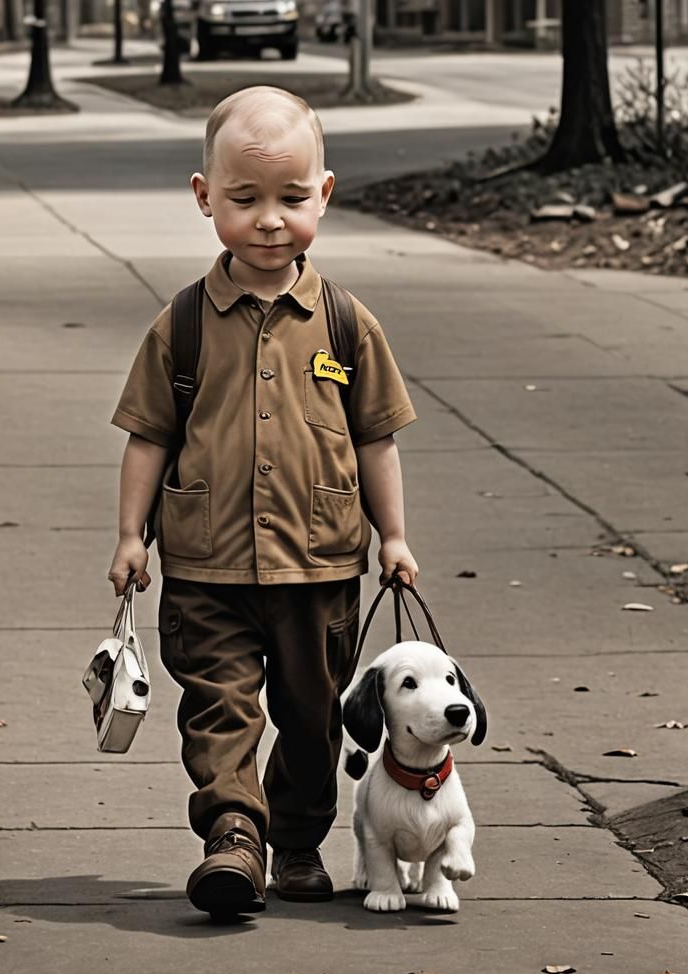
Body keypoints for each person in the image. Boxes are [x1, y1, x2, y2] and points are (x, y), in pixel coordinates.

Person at [106, 85, 418, 919]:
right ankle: (234, 838)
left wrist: (393, 537)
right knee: (219, 710)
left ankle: (299, 839)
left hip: (319, 568)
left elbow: (376, 439)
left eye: (290, 198)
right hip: (206, 566)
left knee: (314, 721)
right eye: (245, 200)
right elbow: (148, 437)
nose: (270, 219)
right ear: (205, 197)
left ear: (325, 194)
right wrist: (131, 536)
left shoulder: (349, 325)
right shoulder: (180, 326)